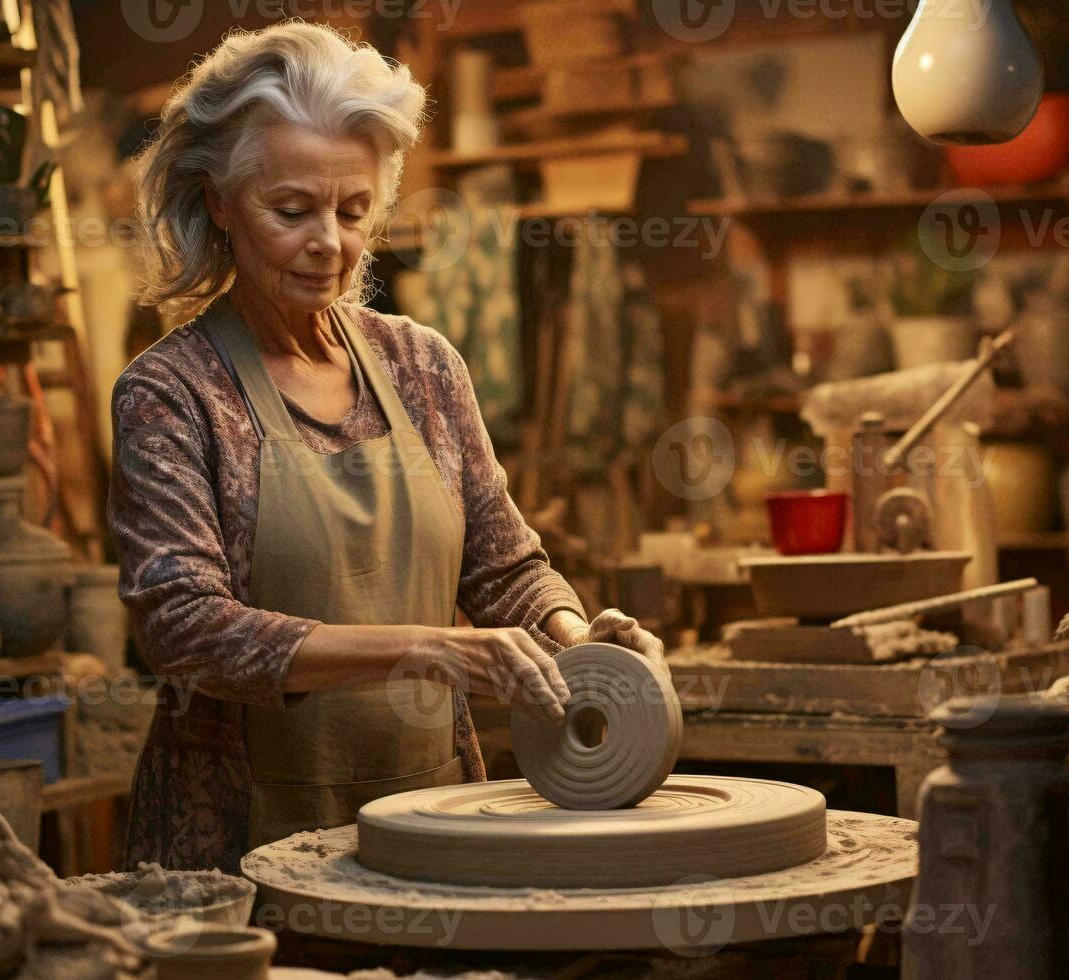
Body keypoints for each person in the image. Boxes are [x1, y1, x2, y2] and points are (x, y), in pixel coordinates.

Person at [110, 22, 663, 874]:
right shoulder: (171, 393)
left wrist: (578, 644)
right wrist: (426, 646)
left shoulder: (424, 366)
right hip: (236, 836)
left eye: (353, 210)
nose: (329, 241)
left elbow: (504, 569)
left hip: (428, 807)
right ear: (219, 200)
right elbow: (184, 629)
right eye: (290, 211)